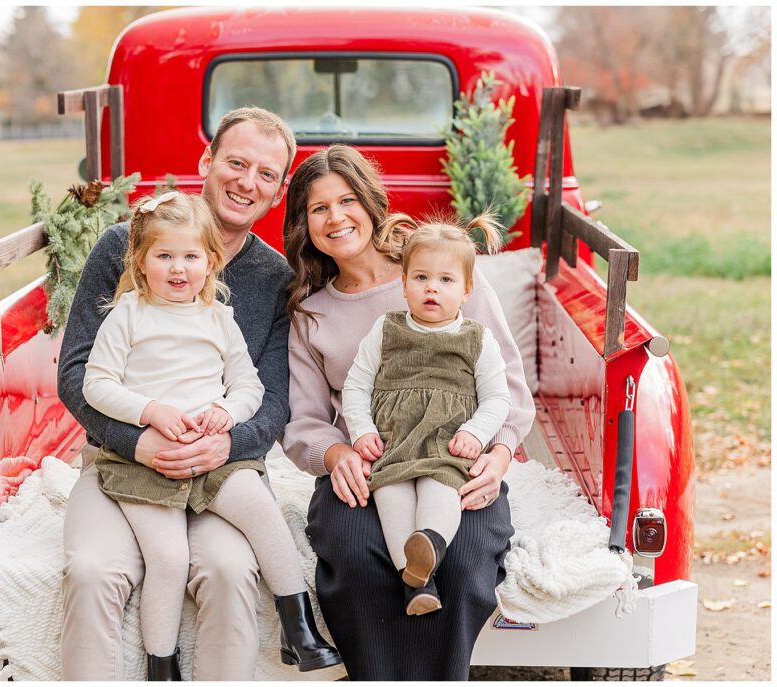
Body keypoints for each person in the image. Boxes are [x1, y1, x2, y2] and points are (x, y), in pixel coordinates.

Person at [57, 107, 301, 681]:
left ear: (279, 189)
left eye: (266, 174)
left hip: (221, 465)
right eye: (236, 163)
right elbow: (75, 374)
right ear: (206, 162)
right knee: (92, 571)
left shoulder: (273, 278)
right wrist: (138, 441)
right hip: (122, 461)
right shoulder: (127, 245)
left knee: (230, 570)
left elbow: (271, 398)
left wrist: (226, 445)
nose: (248, 182)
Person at [281, 144, 536, 680]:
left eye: (346, 200)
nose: (335, 218)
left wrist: (501, 453)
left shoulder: (437, 271)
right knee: (356, 560)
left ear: (371, 204)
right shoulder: (311, 312)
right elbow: (304, 419)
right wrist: (334, 453)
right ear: (305, 224)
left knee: (464, 567)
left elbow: (506, 384)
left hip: (455, 456)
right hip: (370, 462)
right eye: (318, 208)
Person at [81, 190, 340, 678]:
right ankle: (163, 666)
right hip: (145, 462)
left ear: (211, 262)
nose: (178, 269)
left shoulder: (219, 318)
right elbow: (95, 384)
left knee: (264, 513)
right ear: (140, 262)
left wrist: (226, 410)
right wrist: (149, 411)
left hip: (215, 456)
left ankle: (298, 629)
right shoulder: (129, 315)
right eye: (164, 256)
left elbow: (249, 385)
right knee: (170, 557)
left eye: (190, 257)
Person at [341, 215, 510, 617]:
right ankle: (418, 578)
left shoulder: (475, 338)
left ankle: (428, 549)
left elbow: (497, 398)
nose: (431, 287)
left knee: (440, 493)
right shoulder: (386, 329)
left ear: (468, 289)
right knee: (390, 498)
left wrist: (475, 432)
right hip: (393, 443)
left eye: (446, 280)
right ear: (403, 284)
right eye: (420, 278)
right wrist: (362, 431)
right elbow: (356, 385)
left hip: (447, 445)